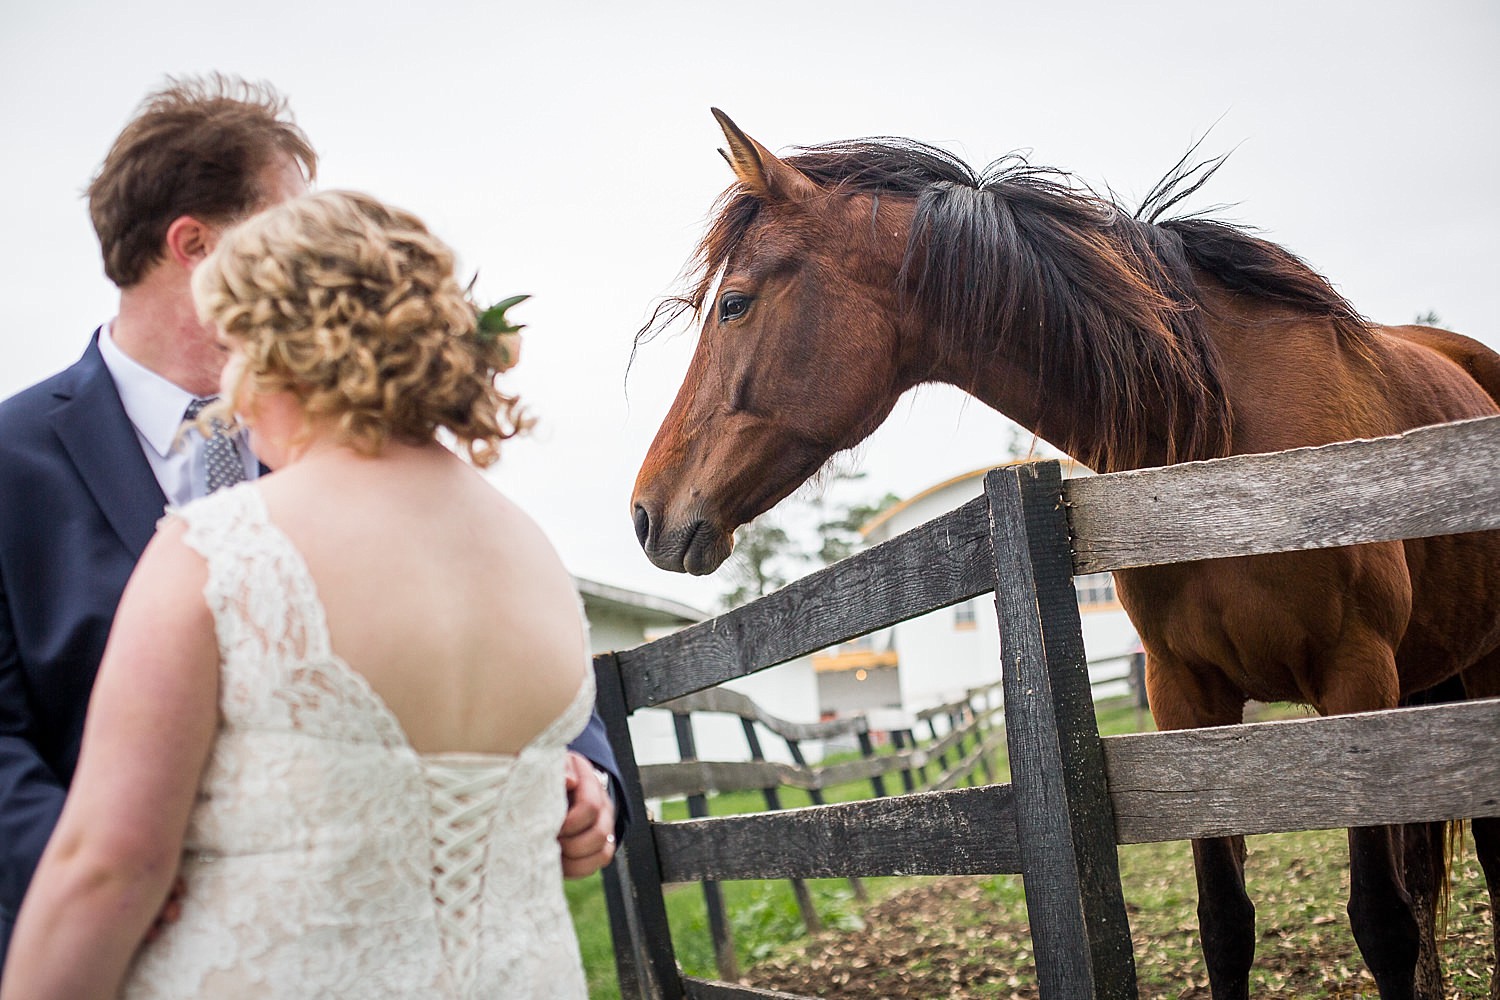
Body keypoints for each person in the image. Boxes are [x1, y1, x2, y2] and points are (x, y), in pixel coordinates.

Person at [0, 76, 618, 976]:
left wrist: (578, 773)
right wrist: (91, 860)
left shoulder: (357, 463)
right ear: (194, 245)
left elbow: (520, 671)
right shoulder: (11, 460)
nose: (312, 252)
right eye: (285, 221)